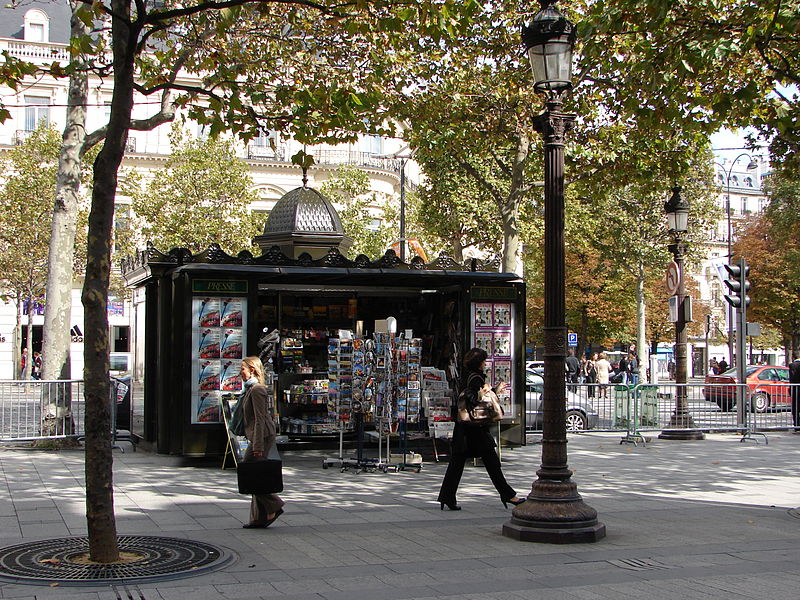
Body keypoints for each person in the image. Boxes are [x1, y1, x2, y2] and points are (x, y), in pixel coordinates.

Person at [437, 348, 524, 511]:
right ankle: (508, 495)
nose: (485, 363)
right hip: (475, 428)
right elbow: (473, 398)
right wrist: (486, 391)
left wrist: (493, 391)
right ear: (478, 363)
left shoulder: (467, 375)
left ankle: (447, 496)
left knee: (457, 463)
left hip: (464, 428)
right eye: (483, 361)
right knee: (491, 462)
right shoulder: (476, 378)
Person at [239, 355, 284, 528]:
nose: (240, 373)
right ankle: (260, 517)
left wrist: (257, 446)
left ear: (252, 369)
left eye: (243, 369)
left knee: (250, 473)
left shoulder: (257, 390)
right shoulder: (250, 389)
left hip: (262, 437)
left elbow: (259, 419)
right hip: (260, 436)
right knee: (254, 473)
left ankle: (274, 505)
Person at [790, 351, 800, 432]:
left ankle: (796, 425)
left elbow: (792, 379)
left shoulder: (792, 365)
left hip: (795, 389)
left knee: (795, 408)